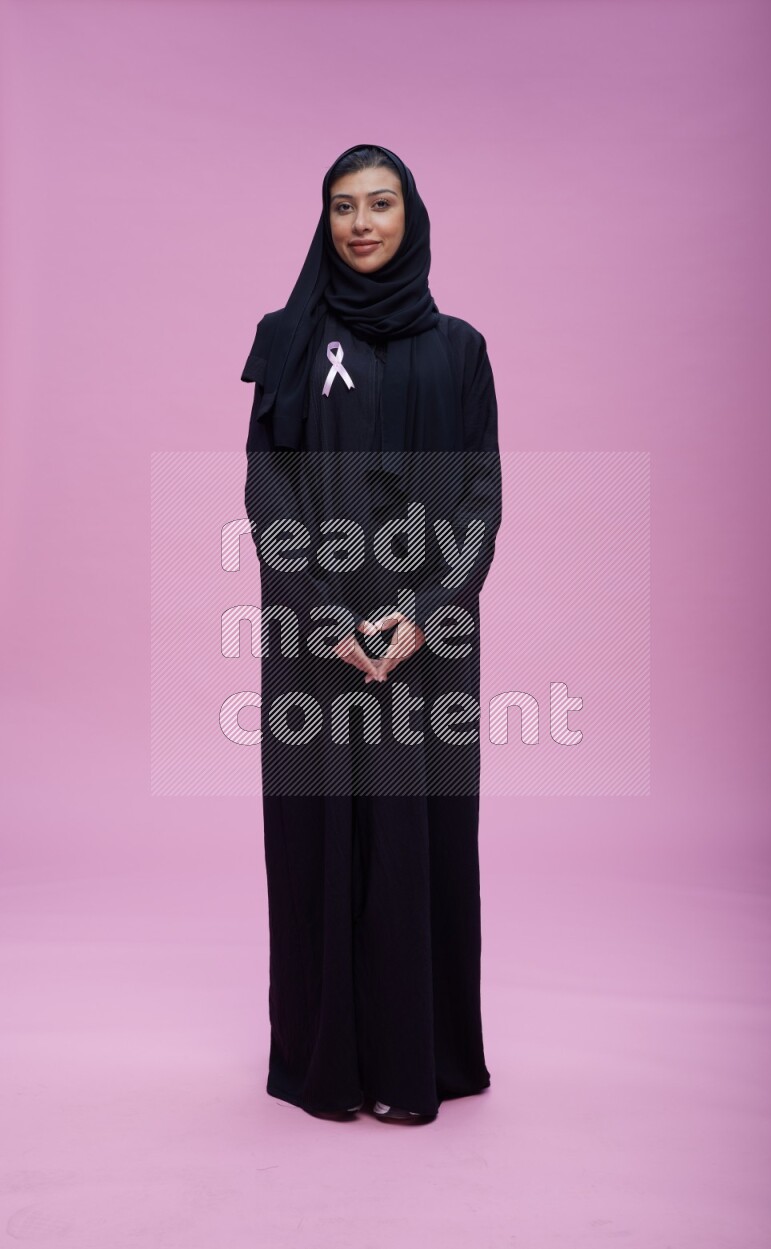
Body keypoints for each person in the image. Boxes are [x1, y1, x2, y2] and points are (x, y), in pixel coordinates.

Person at [241, 143, 502, 1124]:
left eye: (378, 204)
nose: (360, 223)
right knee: (316, 842)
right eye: (342, 206)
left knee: (419, 840)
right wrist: (326, 615)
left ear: (409, 215)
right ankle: (326, 1064)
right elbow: (267, 496)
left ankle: (420, 1059)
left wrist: (424, 610)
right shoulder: (286, 340)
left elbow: (480, 496)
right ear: (324, 219)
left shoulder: (461, 350)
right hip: (315, 635)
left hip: (426, 640)